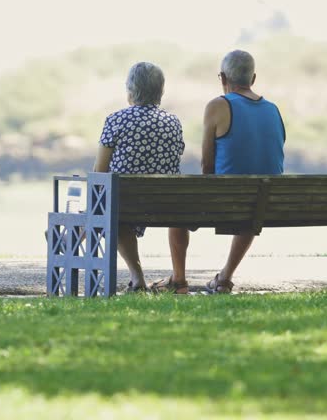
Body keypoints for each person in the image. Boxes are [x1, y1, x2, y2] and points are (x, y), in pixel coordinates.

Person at [153, 50, 286, 294]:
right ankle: (224, 279)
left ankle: (179, 282)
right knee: (252, 206)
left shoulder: (218, 106)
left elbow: (207, 164)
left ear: (222, 78)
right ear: (253, 78)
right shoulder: (274, 109)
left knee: (176, 208)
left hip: (225, 202)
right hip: (263, 205)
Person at [93, 62, 185, 293]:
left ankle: (137, 277)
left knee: (112, 207)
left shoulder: (116, 120)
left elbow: (99, 172)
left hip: (125, 204)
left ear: (130, 90)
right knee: (117, 204)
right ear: (160, 91)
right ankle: (136, 280)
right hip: (166, 204)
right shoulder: (173, 122)